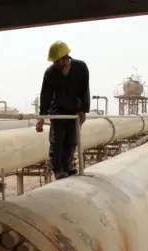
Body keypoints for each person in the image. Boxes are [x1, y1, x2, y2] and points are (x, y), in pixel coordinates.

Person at [36, 40, 90, 180]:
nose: (55, 64)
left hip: (75, 109)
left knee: (72, 141)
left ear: (66, 58)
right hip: (58, 110)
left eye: (57, 61)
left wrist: (83, 110)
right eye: (53, 61)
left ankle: (66, 167)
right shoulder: (50, 73)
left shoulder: (80, 67)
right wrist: (41, 117)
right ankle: (58, 170)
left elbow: (85, 89)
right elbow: (45, 96)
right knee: (57, 140)